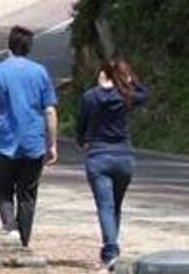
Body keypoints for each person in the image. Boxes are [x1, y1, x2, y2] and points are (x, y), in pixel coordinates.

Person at [0, 25, 59, 247]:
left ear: (8, 47)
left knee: (2, 189)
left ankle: (10, 227)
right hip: (33, 143)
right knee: (28, 195)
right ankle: (23, 242)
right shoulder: (40, 72)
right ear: (29, 48)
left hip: (4, 143)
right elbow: (49, 110)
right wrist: (52, 144)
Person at [77, 57, 149, 272]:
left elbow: (81, 125)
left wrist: (81, 140)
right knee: (115, 206)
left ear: (102, 74)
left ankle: (110, 250)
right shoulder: (126, 96)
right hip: (123, 158)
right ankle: (111, 250)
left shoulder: (90, 97)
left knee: (105, 206)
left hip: (98, 157)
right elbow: (146, 95)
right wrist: (132, 80)